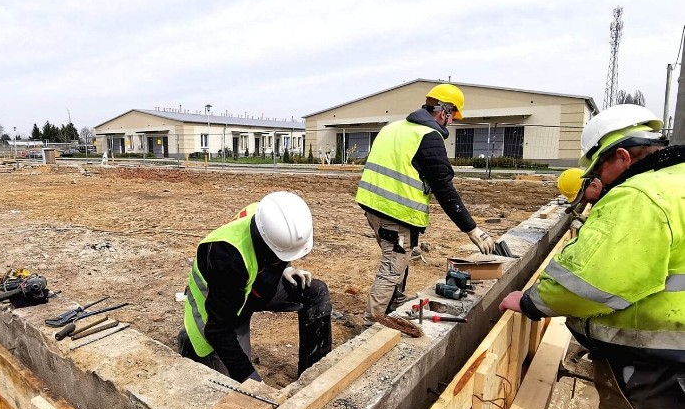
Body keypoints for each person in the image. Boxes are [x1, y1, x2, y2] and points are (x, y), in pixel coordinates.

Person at [500, 104, 685, 409]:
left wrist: (530, 301)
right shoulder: (677, 183)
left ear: (621, 157)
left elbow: (587, 283)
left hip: (658, 374)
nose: (597, 183)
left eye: (598, 171)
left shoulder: (642, 195)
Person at [355, 83, 495, 328]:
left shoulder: (394, 127)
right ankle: (370, 324)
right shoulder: (428, 137)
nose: (450, 123)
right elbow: (444, 188)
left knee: (399, 258)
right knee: (392, 267)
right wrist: (471, 229)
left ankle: (395, 303)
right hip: (397, 213)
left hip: (373, 206)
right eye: (452, 117)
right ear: (445, 112)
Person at [177, 191, 332, 383]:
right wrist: (253, 381)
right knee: (232, 383)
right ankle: (189, 347)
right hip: (217, 316)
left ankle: (313, 377)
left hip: (252, 289)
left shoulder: (266, 218)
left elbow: (272, 250)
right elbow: (219, 330)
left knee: (315, 292)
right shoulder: (226, 257)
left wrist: (285, 268)